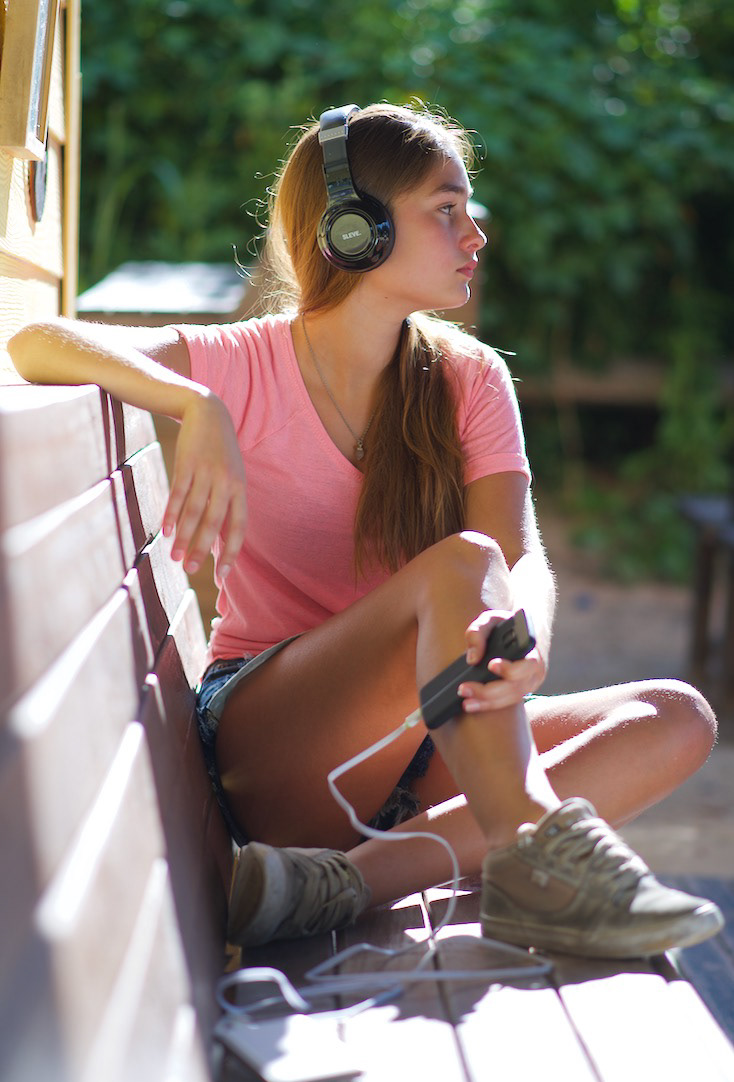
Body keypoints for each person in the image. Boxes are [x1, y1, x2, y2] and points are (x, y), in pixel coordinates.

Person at [10, 102, 723, 959]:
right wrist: (194, 404)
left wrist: (525, 635)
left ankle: (341, 884)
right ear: (358, 232)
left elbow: (521, 556)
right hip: (274, 744)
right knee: (462, 564)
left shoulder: (472, 378)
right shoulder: (249, 362)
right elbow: (37, 339)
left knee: (674, 715)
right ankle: (535, 854)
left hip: (420, 746)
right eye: (446, 210)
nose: (476, 236)